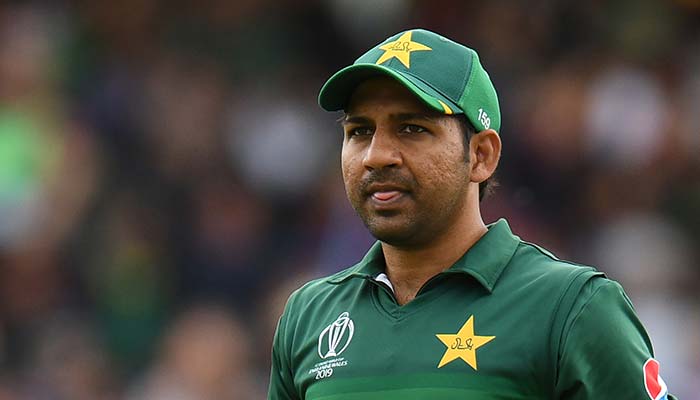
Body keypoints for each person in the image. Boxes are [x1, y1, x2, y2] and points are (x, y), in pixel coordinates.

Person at [268, 29, 676, 400]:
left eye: (411, 128)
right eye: (359, 131)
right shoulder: (308, 315)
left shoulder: (572, 309)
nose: (376, 155)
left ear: (481, 156)